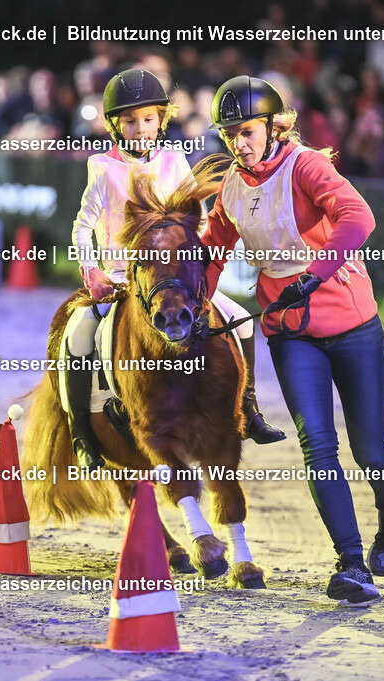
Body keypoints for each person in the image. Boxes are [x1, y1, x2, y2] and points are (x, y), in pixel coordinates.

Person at [201, 76, 384, 606]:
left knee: (370, 449)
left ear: (272, 127)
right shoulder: (230, 189)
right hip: (291, 334)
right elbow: (211, 250)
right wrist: (189, 301)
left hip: (353, 324)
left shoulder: (307, 165)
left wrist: (313, 276)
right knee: (318, 446)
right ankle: (351, 564)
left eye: (246, 131)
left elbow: (359, 217)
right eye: (230, 134)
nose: (238, 143)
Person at [64, 68, 285, 472]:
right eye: (130, 122)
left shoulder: (173, 160)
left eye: (148, 120)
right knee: (78, 333)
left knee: (242, 321)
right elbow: (82, 227)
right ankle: (81, 430)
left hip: (176, 279)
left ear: (161, 120)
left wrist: (195, 260)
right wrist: (90, 269)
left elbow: (197, 219)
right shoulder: (102, 167)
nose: (140, 129)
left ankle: (248, 408)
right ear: (115, 124)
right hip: (122, 278)